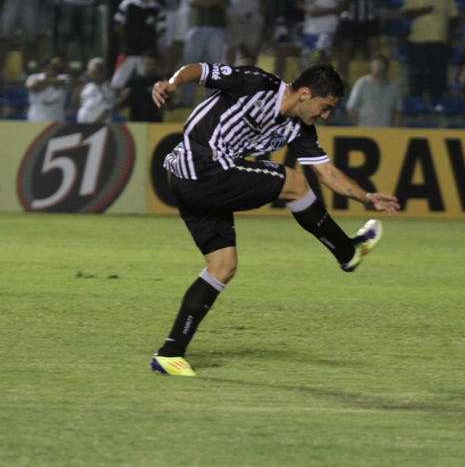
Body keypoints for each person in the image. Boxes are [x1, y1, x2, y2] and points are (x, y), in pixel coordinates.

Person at [148, 62, 400, 376]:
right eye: (324, 107)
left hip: (194, 183)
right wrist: (172, 82)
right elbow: (200, 70)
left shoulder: (299, 128)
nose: (324, 115)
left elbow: (327, 173)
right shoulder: (256, 83)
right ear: (305, 94)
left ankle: (170, 353)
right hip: (200, 164)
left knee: (223, 267)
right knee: (294, 182)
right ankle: (346, 252)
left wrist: (366, 197)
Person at [400, 0, 458, 100]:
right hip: (418, 40)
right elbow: (405, 13)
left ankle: (437, 101)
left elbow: (454, 17)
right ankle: (415, 101)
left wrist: (450, 36)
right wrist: (424, 10)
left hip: (439, 40)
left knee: (438, 74)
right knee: (416, 74)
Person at [181, 0, 227, 106]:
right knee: (191, 64)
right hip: (198, 26)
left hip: (216, 28)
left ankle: (209, 101)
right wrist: (212, 2)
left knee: (213, 66)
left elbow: (223, 3)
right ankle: (186, 100)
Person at [336, 0, 383, 87]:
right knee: (346, 49)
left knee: (374, 48)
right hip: (348, 17)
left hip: (369, 17)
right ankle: (343, 81)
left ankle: (376, 80)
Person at [110, 0, 166, 92]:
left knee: (145, 82)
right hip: (128, 50)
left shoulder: (157, 7)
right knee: (117, 82)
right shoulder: (127, 4)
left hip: (146, 54)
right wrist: (127, 39)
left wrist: (149, 41)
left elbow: (161, 30)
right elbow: (117, 24)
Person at [346, 54, 403, 127]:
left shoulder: (394, 87)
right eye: (377, 65)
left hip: (387, 131)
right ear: (371, 67)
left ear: (387, 67)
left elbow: (398, 110)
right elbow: (351, 107)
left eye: (382, 65)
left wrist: (396, 129)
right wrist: (357, 125)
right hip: (365, 130)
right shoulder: (362, 83)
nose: (380, 67)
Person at [118, 50, 163, 122]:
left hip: (156, 123)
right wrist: (123, 97)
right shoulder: (133, 82)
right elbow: (120, 105)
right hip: (136, 123)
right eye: (147, 64)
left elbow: (169, 106)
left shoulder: (162, 83)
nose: (150, 67)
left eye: (153, 64)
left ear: (157, 65)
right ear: (142, 64)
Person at [25, 56, 72, 122]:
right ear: (42, 69)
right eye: (48, 69)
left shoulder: (63, 78)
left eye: (54, 68)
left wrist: (64, 67)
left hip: (57, 121)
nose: (51, 71)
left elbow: (75, 85)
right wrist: (51, 80)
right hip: (35, 120)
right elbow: (30, 86)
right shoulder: (34, 77)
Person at [77, 57, 114, 123]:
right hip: (83, 126)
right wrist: (79, 86)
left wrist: (93, 125)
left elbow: (107, 110)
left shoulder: (108, 89)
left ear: (104, 72)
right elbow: (74, 103)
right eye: (94, 72)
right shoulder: (87, 87)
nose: (97, 75)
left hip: (98, 127)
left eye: (99, 72)